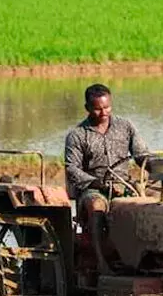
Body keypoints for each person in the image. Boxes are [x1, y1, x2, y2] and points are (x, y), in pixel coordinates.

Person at [64, 83, 151, 273]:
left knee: (150, 205)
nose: (104, 112)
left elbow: (141, 154)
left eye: (107, 107)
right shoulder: (77, 135)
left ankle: (143, 260)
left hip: (125, 185)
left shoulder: (125, 126)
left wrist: (155, 167)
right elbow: (72, 168)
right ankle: (102, 263)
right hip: (93, 189)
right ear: (87, 108)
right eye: (97, 108)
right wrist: (97, 183)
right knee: (97, 208)